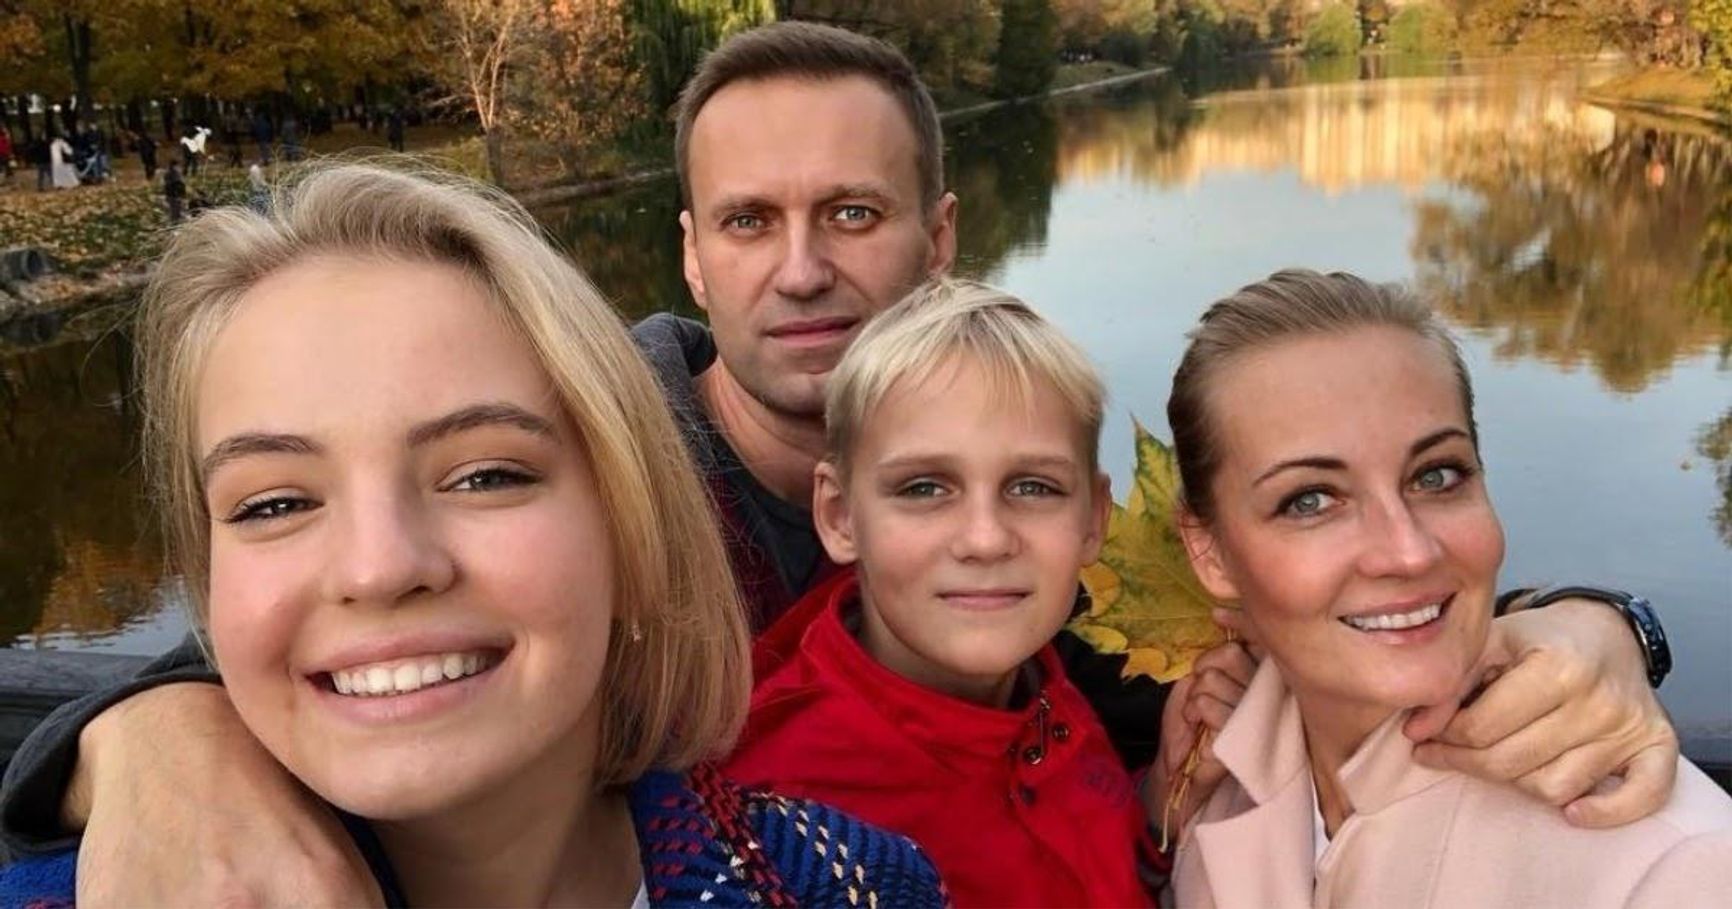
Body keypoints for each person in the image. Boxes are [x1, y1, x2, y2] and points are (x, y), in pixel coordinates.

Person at [0, 21, 1684, 903]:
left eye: (853, 214)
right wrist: (155, 737)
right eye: (750, 221)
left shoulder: (1014, 480)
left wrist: (1590, 623)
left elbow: (1291, 564)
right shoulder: (589, 437)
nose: (801, 269)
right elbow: (314, 611)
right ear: (690, 251)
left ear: (940, 238)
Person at [0, 162, 948, 908]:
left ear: (631, 530)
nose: (379, 566)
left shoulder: (857, 883)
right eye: (274, 503)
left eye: (486, 475)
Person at [1165, 270, 1732, 908]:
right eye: (1311, 500)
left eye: (1436, 476)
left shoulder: (1673, 870)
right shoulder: (1207, 784)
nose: (1409, 552)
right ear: (1208, 551)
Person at [725, 279, 1213, 906]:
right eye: (924, 488)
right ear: (840, 515)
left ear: (1093, 518)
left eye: (1033, 487)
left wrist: (1159, 800)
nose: (985, 539)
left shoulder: (1041, 688)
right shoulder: (774, 815)